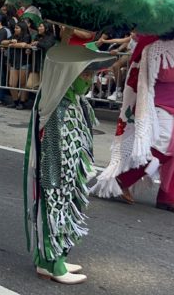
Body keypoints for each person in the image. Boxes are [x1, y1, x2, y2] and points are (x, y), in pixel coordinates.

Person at [24, 44, 115, 285]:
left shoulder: (75, 101)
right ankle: (53, 263)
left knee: (65, 210)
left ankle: (52, 260)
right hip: (56, 176)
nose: (89, 79)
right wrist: (55, 182)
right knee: (54, 212)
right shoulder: (56, 107)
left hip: (71, 172)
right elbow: (53, 151)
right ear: (68, 76)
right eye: (84, 73)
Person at [94, 33, 174, 216]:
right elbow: (164, 74)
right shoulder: (157, 45)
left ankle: (170, 198)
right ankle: (120, 181)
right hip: (161, 107)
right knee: (159, 149)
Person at [5, 21, 32, 109]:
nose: (15, 29)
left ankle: (22, 102)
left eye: (17, 28)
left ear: (22, 29)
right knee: (11, 84)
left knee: (23, 84)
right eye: (15, 28)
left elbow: (24, 45)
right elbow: (3, 41)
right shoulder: (13, 36)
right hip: (14, 62)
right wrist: (10, 41)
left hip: (23, 62)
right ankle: (15, 101)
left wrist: (13, 44)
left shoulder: (27, 36)